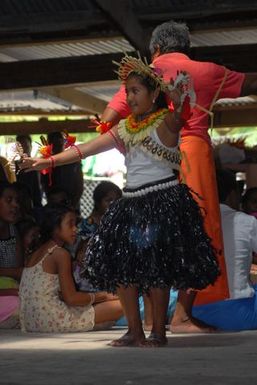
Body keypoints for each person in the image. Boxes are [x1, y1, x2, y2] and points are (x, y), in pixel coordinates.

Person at [21, 55, 220, 347]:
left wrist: (178, 103)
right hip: (130, 203)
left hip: (160, 200)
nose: (130, 96)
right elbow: (85, 150)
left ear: (154, 95)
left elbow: (179, 118)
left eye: (136, 90)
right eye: (127, 91)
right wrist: (47, 161)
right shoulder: (125, 128)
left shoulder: (165, 120)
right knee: (121, 266)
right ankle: (134, 332)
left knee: (156, 267)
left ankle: (158, 333)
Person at [100, 20, 257, 333]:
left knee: (148, 235)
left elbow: (108, 119)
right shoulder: (206, 70)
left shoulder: (143, 75)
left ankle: (148, 319)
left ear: (155, 49)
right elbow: (251, 84)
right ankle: (182, 315)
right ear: (187, 48)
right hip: (191, 152)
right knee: (196, 231)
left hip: (152, 157)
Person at [19, 205, 123, 333]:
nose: (76, 229)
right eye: (70, 224)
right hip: (51, 319)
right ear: (55, 228)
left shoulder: (36, 253)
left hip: (31, 321)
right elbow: (71, 299)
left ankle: (94, 322)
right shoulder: (60, 254)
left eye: (76, 224)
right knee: (122, 304)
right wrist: (104, 296)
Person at [192, 169, 257, 330]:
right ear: (232, 194)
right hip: (238, 314)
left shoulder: (193, 223)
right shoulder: (246, 222)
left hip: (196, 312)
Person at [74, 181, 122, 292]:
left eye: (117, 200)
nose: (113, 204)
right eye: (108, 200)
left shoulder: (119, 223)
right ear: (98, 202)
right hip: (90, 281)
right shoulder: (87, 225)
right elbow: (77, 255)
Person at [40, 132, 84, 209]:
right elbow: (44, 184)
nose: (57, 147)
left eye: (59, 143)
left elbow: (79, 184)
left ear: (63, 143)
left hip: (72, 202)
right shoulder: (47, 162)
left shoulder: (73, 159)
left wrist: (73, 204)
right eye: (54, 144)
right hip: (54, 203)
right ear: (49, 145)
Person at [0, 182, 23, 286]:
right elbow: (18, 272)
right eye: (9, 200)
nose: (15, 205)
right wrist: (15, 272)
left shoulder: (13, 230)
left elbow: (19, 268)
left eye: (17, 201)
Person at [16, 134, 42, 208]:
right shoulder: (13, 166)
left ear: (31, 147)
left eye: (26, 146)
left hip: (34, 205)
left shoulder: (39, 164)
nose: (24, 150)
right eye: (21, 147)